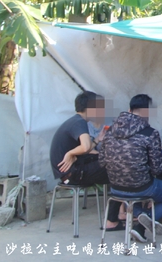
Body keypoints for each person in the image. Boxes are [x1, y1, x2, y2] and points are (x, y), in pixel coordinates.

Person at [100, 94, 162, 243]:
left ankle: (141, 222)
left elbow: (102, 161)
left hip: (116, 188)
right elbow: (157, 169)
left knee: (130, 196)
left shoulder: (110, 131)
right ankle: (144, 220)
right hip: (142, 187)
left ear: (129, 110)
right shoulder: (150, 133)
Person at [49, 91, 121, 230]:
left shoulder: (75, 121)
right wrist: (70, 153)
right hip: (72, 175)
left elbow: (87, 147)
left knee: (113, 163)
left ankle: (121, 213)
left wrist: (97, 139)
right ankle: (114, 219)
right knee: (120, 169)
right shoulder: (79, 123)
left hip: (70, 173)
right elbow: (85, 146)